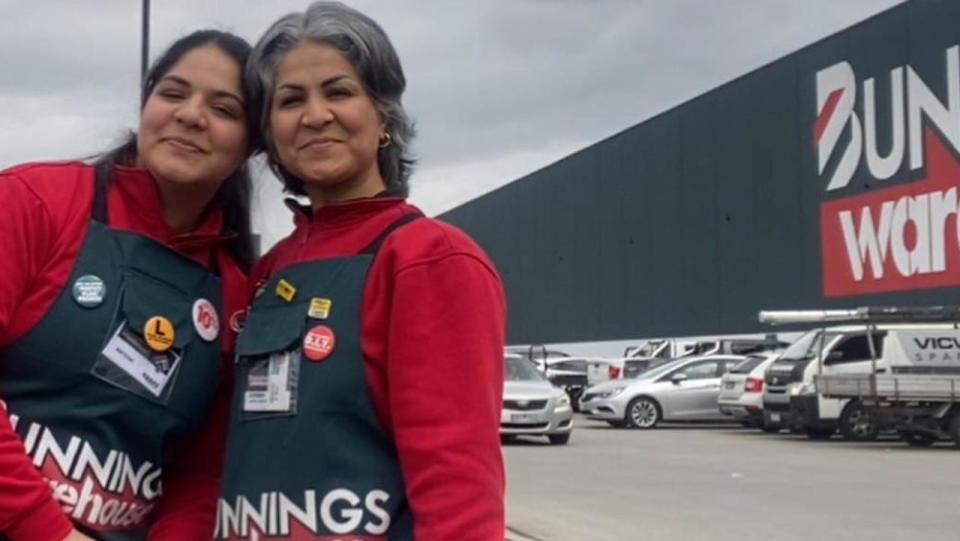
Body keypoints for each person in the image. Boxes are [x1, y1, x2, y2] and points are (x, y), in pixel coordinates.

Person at [216, 3, 506, 540]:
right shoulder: (265, 272)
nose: (315, 114)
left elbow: (458, 486)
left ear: (384, 118)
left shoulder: (428, 258)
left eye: (339, 91)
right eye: (290, 99)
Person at [0, 30, 256, 541]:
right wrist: (48, 531)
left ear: (255, 145)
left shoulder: (236, 298)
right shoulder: (35, 201)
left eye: (223, 109)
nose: (190, 115)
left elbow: (202, 475)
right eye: (173, 93)